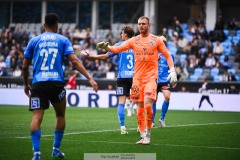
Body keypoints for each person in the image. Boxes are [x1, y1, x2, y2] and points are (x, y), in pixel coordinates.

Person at [22, 13, 98, 160]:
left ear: (44, 25)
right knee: (60, 115)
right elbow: (75, 62)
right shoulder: (63, 40)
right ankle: (56, 149)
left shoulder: (34, 41)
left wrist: (26, 84)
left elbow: (25, 67)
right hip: (56, 83)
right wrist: (90, 78)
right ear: (57, 24)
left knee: (37, 117)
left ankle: (36, 154)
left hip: (38, 84)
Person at [96, 16, 177, 145]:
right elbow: (118, 49)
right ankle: (142, 135)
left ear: (149, 25)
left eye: (144, 24)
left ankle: (148, 135)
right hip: (137, 79)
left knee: (148, 105)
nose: (141, 26)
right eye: (139, 24)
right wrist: (107, 48)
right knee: (139, 107)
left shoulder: (156, 40)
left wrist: (172, 70)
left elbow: (167, 55)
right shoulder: (133, 40)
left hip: (151, 77)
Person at [81, 26, 135, 134]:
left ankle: (123, 127)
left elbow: (105, 57)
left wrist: (90, 57)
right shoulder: (137, 44)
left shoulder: (119, 45)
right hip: (135, 77)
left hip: (122, 77)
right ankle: (141, 126)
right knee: (139, 102)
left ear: (125, 35)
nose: (121, 35)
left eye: (122, 33)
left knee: (121, 103)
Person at [152, 36, 177, 128]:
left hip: (164, 80)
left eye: (163, 42)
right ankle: (152, 120)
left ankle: (162, 118)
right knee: (154, 100)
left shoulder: (169, 54)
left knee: (167, 96)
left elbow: (173, 67)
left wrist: (174, 78)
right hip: (154, 79)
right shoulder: (153, 52)